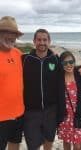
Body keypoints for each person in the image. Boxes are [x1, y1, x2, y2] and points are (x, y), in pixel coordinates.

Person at [22, 29, 64, 150]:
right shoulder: (25, 59)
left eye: (45, 40)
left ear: (49, 41)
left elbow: (69, 72)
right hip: (31, 111)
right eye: (39, 39)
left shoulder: (56, 60)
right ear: (34, 41)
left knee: (49, 140)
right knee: (32, 145)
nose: (42, 42)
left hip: (51, 110)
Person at [0, 16, 24, 150]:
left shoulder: (18, 54)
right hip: (0, 117)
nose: (10, 37)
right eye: (6, 32)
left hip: (18, 113)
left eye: (13, 34)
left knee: (15, 145)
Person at [57, 51, 81, 150]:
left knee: (77, 145)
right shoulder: (59, 78)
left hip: (78, 116)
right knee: (66, 142)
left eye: (71, 62)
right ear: (61, 64)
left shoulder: (79, 75)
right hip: (65, 117)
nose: (68, 65)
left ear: (74, 62)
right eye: (65, 63)